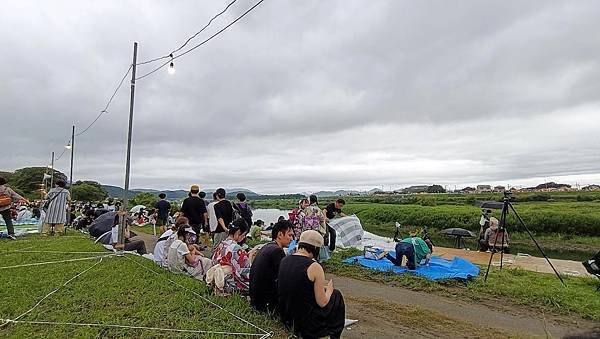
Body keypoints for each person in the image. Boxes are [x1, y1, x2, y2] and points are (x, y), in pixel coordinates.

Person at [278, 230, 345, 339]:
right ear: (316, 248)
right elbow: (322, 302)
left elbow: (300, 284)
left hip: (287, 317)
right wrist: (329, 290)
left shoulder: (285, 260)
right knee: (336, 296)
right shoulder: (314, 266)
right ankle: (332, 333)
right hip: (306, 324)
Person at [249, 220, 294, 313]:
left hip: (256, 300)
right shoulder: (277, 251)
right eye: (290, 235)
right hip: (265, 304)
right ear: (280, 234)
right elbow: (285, 277)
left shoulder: (268, 246)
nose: (292, 239)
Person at [208, 218, 252, 295]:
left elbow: (213, 262)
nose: (244, 237)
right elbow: (244, 271)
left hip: (217, 280)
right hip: (230, 283)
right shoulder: (236, 248)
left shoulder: (221, 244)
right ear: (238, 232)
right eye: (244, 234)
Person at [302, 195, 328, 260]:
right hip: (317, 230)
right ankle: (316, 259)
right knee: (317, 244)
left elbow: (303, 220)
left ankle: (308, 258)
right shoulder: (318, 209)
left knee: (309, 244)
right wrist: (323, 229)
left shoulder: (307, 209)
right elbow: (322, 221)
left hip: (308, 230)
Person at [212, 188, 234, 253]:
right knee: (226, 246)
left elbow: (220, 218)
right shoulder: (229, 203)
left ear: (217, 196)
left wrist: (224, 227)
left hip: (221, 229)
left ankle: (214, 260)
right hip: (229, 228)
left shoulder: (216, 205)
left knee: (216, 246)